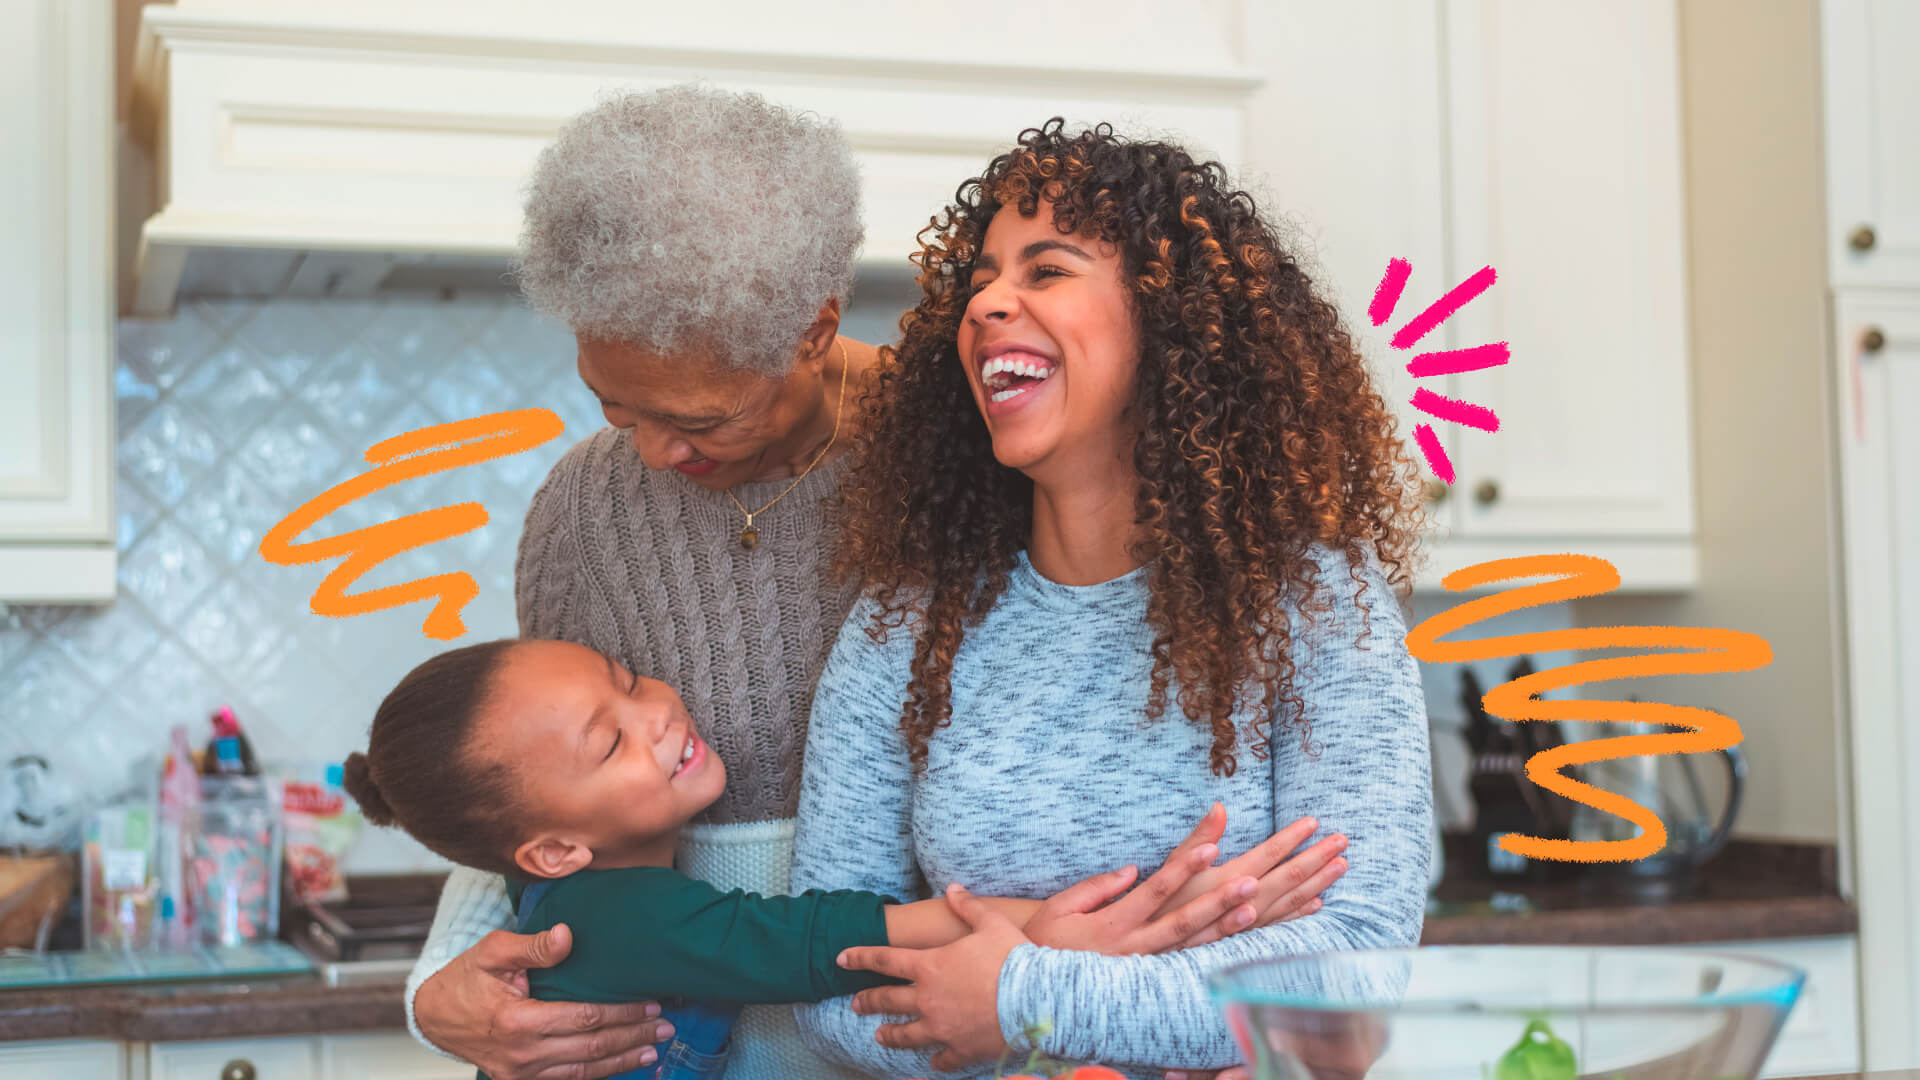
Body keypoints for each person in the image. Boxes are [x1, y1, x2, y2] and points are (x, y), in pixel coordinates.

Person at [405, 86, 1350, 1080]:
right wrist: (439, 989)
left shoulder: (976, 457)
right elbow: (519, 786)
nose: (649, 451)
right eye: (613, 404)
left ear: (811, 330)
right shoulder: (583, 518)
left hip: (952, 1025)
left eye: (702, 415)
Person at [790, 119, 1434, 1080]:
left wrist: (1020, 993)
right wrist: (1083, 1014)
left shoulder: (1315, 605)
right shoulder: (907, 621)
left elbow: (1354, 972)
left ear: (1170, 321)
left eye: (1046, 271)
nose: (987, 306)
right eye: (979, 283)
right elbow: (825, 973)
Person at [350, 639, 1282, 1079]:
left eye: (630, 682)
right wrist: (1069, 928)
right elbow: (830, 939)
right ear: (552, 848)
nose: (659, 715)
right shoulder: (623, 918)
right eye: (611, 743)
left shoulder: (564, 890)